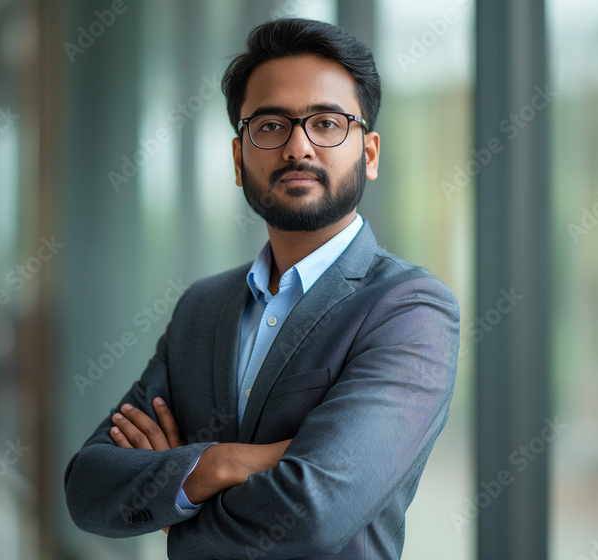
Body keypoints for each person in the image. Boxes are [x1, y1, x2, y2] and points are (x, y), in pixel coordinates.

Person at [64, 17, 460, 559]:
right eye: (270, 126)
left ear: (368, 154)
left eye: (326, 123)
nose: (298, 147)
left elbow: (315, 514)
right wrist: (220, 464)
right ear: (237, 157)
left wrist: (175, 500)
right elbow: (87, 486)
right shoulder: (202, 309)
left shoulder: (409, 309)